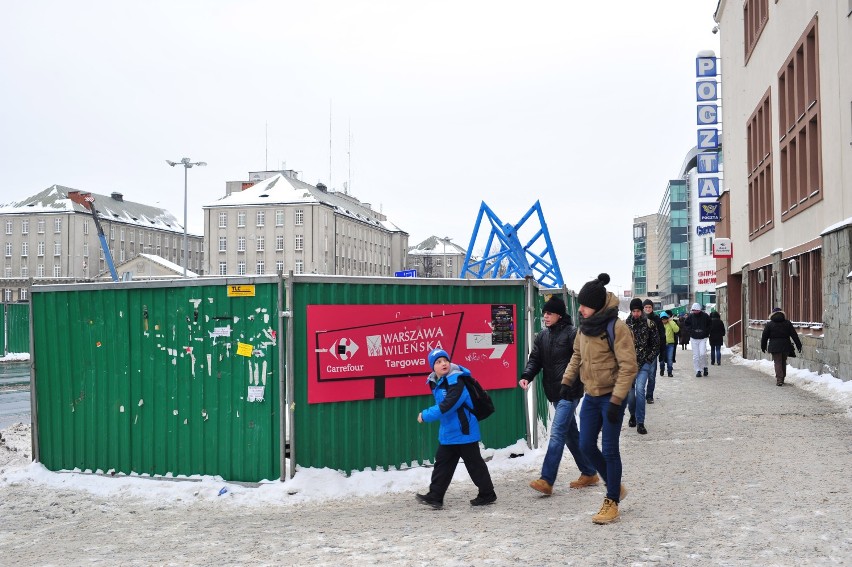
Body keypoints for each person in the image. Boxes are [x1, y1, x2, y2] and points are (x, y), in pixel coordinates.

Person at [560, 273, 637, 524]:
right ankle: (615, 484)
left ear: (597, 305)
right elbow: (576, 357)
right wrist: (567, 381)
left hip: (612, 397)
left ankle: (612, 500)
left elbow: (628, 367)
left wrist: (617, 400)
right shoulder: (584, 329)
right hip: (591, 396)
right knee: (585, 445)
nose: (580, 309)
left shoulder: (616, 328)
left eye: (584, 305)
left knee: (611, 449)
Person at [520, 296, 598, 495]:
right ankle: (589, 472)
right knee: (571, 435)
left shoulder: (573, 334)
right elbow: (535, 359)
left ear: (559, 315)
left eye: (549, 313)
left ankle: (547, 479)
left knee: (557, 433)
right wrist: (527, 376)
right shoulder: (542, 336)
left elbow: (583, 359)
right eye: (544, 313)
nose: (545, 316)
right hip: (553, 392)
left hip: (569, 392)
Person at [416, 348, 496, 509]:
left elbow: (448, 405)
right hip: (449, 432)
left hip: (464, 430)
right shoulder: (436, 381)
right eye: (438, 362)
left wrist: (425, 415)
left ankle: (487, 494)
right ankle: (436, 496)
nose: (443, 363)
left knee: (474, 464)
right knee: (442, 464)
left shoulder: (456, 381)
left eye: (445, 360)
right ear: (433, 367)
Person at [626, 298, 660, 435]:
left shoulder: (649, 324)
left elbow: (656, 344)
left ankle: (640, 422)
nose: (636, 314)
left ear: (641, 311)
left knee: (640, 390)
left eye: (638, 311)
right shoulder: (625, 325)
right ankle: (632, 415)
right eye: (633, 311)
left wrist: (648, 359)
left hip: (644, 364)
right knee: (630, 393)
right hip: (628, 365)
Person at [760, 308, 802, 386]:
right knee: (783, 361)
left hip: (774, 346)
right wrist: (799, 345)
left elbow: (764, 336)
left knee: (777, 361)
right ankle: (782, 378)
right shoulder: (787, 323)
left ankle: (779, 379)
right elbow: (794, 335)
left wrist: (763, 346)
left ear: (772, 315)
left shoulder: (770, 324)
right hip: (786, 345)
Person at [642, 299, 665, 403]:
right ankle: (640, 394)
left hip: (653, 351)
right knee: (640, 375)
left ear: (652, 308)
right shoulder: (639, 318)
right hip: (640, 352)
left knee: (651, 375)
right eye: (646, 307)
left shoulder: (657, 319)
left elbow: (661, 336)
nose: (648, 309)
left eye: (649, 307)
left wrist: (661, 351)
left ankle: (649, 395)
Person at [684, 303, 712, 377]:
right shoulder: (690, 317)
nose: (695, 311)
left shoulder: (705, 316)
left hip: (703, 337)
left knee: (702, 353)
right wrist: (691, 332)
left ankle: (705, 366)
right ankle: (698, 370)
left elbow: (710, 325)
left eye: (696, 310)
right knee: (696, 355)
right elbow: (686, 325)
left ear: (699, 310)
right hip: (694, 338)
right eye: (693, 310)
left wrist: (706, 332)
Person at [660, 312, 680, 377]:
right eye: (662, 319)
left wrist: (671, 322)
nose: (664, 320)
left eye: (665, 319)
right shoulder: (659, 325)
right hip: (661, 345)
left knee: (670, 358)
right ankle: (662, 369)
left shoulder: (671, 323)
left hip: (670, 344)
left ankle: (669, 372)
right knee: (662, 359)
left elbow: (676, 330)